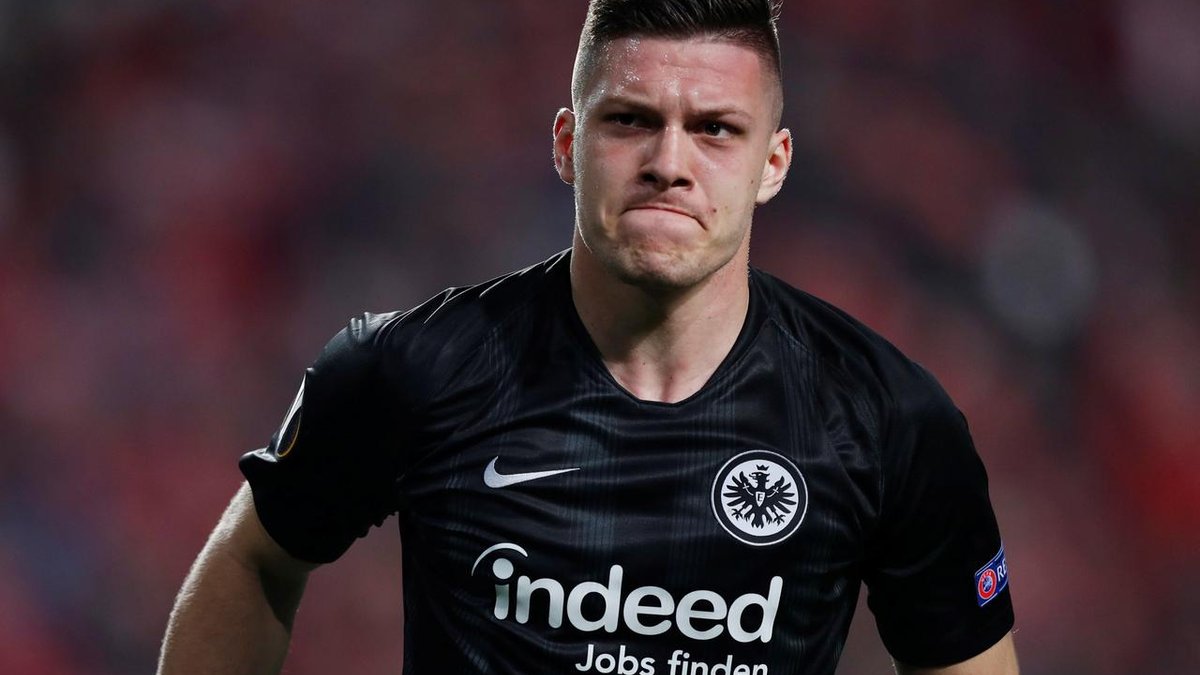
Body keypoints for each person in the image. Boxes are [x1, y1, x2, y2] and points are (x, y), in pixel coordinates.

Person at [158, 1, 1017, 673]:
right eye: (631, 120)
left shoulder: (886, 419)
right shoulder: (415, 370)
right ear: (569, 143)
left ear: (774, 162)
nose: (669, 163)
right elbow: (256, 562)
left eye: (715, 129)